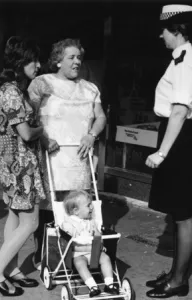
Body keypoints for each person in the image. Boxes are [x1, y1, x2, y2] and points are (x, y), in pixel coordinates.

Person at [28, 38, 107, 269]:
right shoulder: (42, 83)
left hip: (79, 159)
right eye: (71, 57)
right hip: (51, 156)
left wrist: (91, 134)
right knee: (49, 208)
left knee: (77, 207)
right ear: (57, 61)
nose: (77, 62)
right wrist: (43, 138)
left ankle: (77, 255)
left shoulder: (90, 88)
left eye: (79, 57)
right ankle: (44, 255)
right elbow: (29, 117)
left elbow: (100, 116)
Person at [0, 36, 45, 297]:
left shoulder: (6, 88)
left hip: (11, 166)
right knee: (30, 223)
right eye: (33, 60)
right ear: (21, 62)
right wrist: (47, 127)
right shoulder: (11, 92)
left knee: (14, 216)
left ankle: (11, 269)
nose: (39, 65)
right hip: (21, 168)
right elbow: (27, 134)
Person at [145, 4, 192, 299]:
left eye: (163, 30)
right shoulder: (180, 58)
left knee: (183, 214)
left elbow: (179, 111)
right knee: (181, 212)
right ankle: (179, 272)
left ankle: (177, 281)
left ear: (176, 30)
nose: (161, 36)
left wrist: (161, 153)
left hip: (180, 137)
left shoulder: (186, 60)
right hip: (180, 136)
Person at [61, 190, 119, 297]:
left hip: (93, 251)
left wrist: (99, 241)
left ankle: (109, 284)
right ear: (76, 211)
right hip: (79, 253)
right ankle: (93, 286)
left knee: (105, 258)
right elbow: (69, 241)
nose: (92, 207)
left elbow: (97, 235)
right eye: (88, 205)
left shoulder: (91, 221)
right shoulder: (69, 223)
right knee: (79, 263)